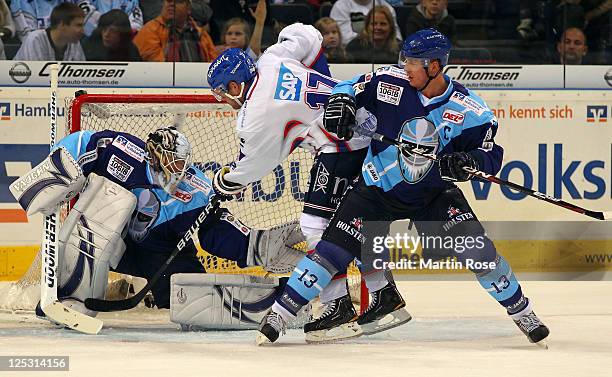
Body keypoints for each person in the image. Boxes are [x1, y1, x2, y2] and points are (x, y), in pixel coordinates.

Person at [256, 28, 550, 347]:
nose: (404, 66)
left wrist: (470, 160)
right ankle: (279, 314)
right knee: (330, 252)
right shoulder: (388, 82)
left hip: (431, 195)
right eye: (404, 59)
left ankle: (523, 311)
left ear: (434, 67)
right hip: (375, 189)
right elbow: (348, 87)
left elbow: (491, 155)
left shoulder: (470, 110)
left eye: (412, 62)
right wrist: (341, 102)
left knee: (478, 252)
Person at [207, 23, 411, 343]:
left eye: (222, 91)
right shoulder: (272, 59)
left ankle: (337, 307)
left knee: (316, 226)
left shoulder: (255, 114)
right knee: (348, 224)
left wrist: (224, 182)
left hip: (342, 144)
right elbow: (308, 35)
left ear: (235, 85)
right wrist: (322, 81)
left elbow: (254, 165)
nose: (223, 100)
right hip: (360, 123)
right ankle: (383, 295)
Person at [10, 125, 304, 318]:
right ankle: (71, 295)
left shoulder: (194, 189)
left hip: (159, 251)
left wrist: (254, 245)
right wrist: (59, 171)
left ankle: (285, 297)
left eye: (183, 163)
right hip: (113, 238)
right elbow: (82, 141)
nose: (179, 170)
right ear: (156, 156)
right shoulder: (123, 152)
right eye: (174, 162)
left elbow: (214, 229)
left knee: (188, 298)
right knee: (110, 202)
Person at [133, 0, 217, 62]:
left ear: (188, 9)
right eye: (168, 1)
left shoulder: (201, 33)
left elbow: (213, 63)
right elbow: (157, 68)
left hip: (200, 82)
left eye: (178, 1)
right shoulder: (149, 30)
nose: (171, 4)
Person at [13, 3, 85, 61]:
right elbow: (37, 76)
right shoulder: (35, 39)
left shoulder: (74, 42)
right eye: (78, 25)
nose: (83, 30)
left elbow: (82, 76)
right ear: (62, 24)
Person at [329, 0, 402, 46]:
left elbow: (396, 37)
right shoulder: (341, 5)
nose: (378, 27)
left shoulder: (386, 6)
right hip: (354, 51)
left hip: (386, 50)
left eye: (382, 24)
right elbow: (344, 38)